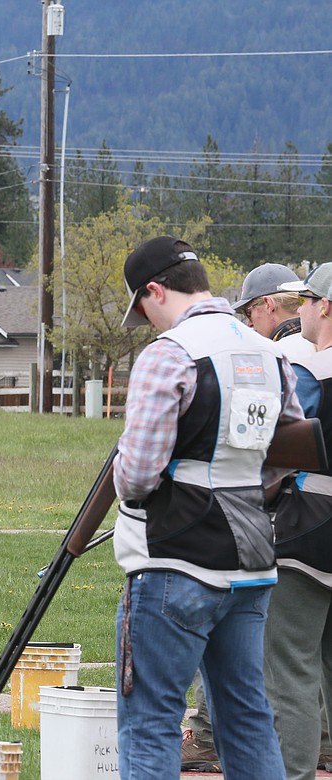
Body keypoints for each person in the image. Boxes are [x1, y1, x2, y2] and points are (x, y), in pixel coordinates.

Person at [112, 236, 304, 779]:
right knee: (246, 719)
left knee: (150, 722)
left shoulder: (169, 354)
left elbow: (137, 474)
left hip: (174, 559)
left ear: (154, 291)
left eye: (143, 308)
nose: (148, 322)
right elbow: (285, 453)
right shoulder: (271, 353)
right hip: (252, 562)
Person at [183, 261, 320, 772]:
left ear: (266, 307)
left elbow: (273, 449)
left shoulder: (284, 356)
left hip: (274, 517)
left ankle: (204, 735)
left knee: (265, 659)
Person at [264, 263, 332, 780]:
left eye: (307, 300)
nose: (300, 310)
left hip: (311, 529)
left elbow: (277, 446)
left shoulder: (314, 373)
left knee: (289, 670)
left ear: (325, 306)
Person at [233, 263, 314, 361]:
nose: (249, 323)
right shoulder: (322, 345)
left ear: (268, 304)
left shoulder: (273, 357)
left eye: (248, 313)